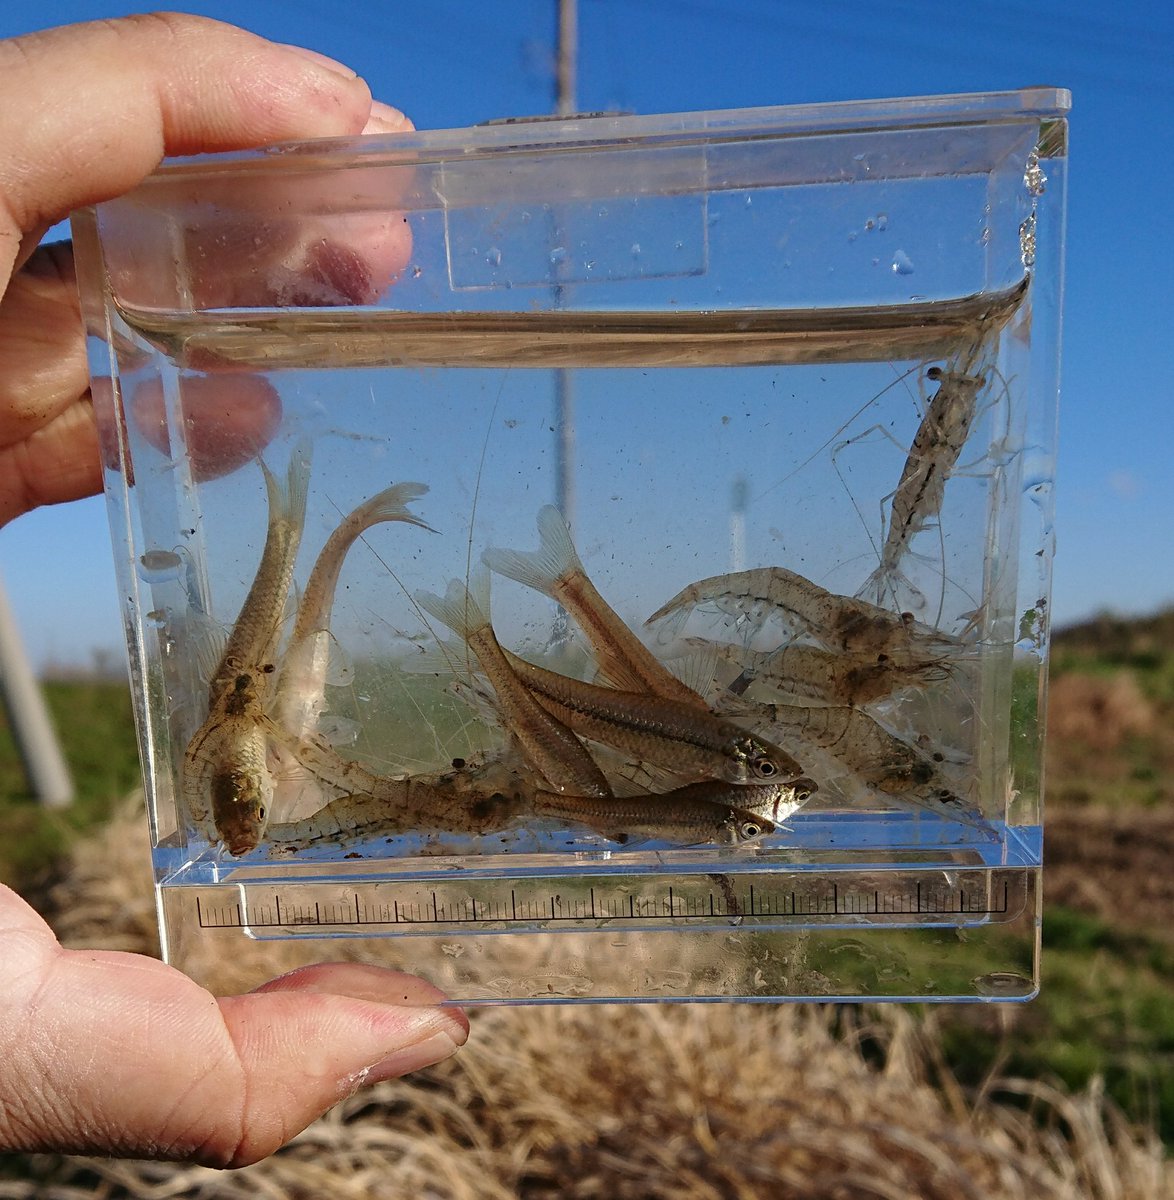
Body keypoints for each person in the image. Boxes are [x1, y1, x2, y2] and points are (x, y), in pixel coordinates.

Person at [0, 14, 469, 1168]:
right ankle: (320, 520)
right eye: (245, 808)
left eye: (243, 809)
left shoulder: (243, 752)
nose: (246, 812)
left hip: (251, 692)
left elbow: (247, 740)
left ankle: (321, 519)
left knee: (289, 553)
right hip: (253, 695)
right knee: (287, 557)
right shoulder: (248, 762)